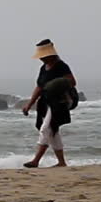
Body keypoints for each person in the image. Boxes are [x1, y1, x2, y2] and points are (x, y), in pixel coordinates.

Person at [22, 39, 77, 168]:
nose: (42, 59)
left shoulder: (61, 66)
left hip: (58, 102)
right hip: (46, 102)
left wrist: (58, 84)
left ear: (50, 54)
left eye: (44, 57)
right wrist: (29, 104)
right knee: (53, 131)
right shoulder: (43, 68)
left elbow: (72, 82)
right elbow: (39, 87)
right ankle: (62, 163)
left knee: (45, 128)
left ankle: (36, 161)